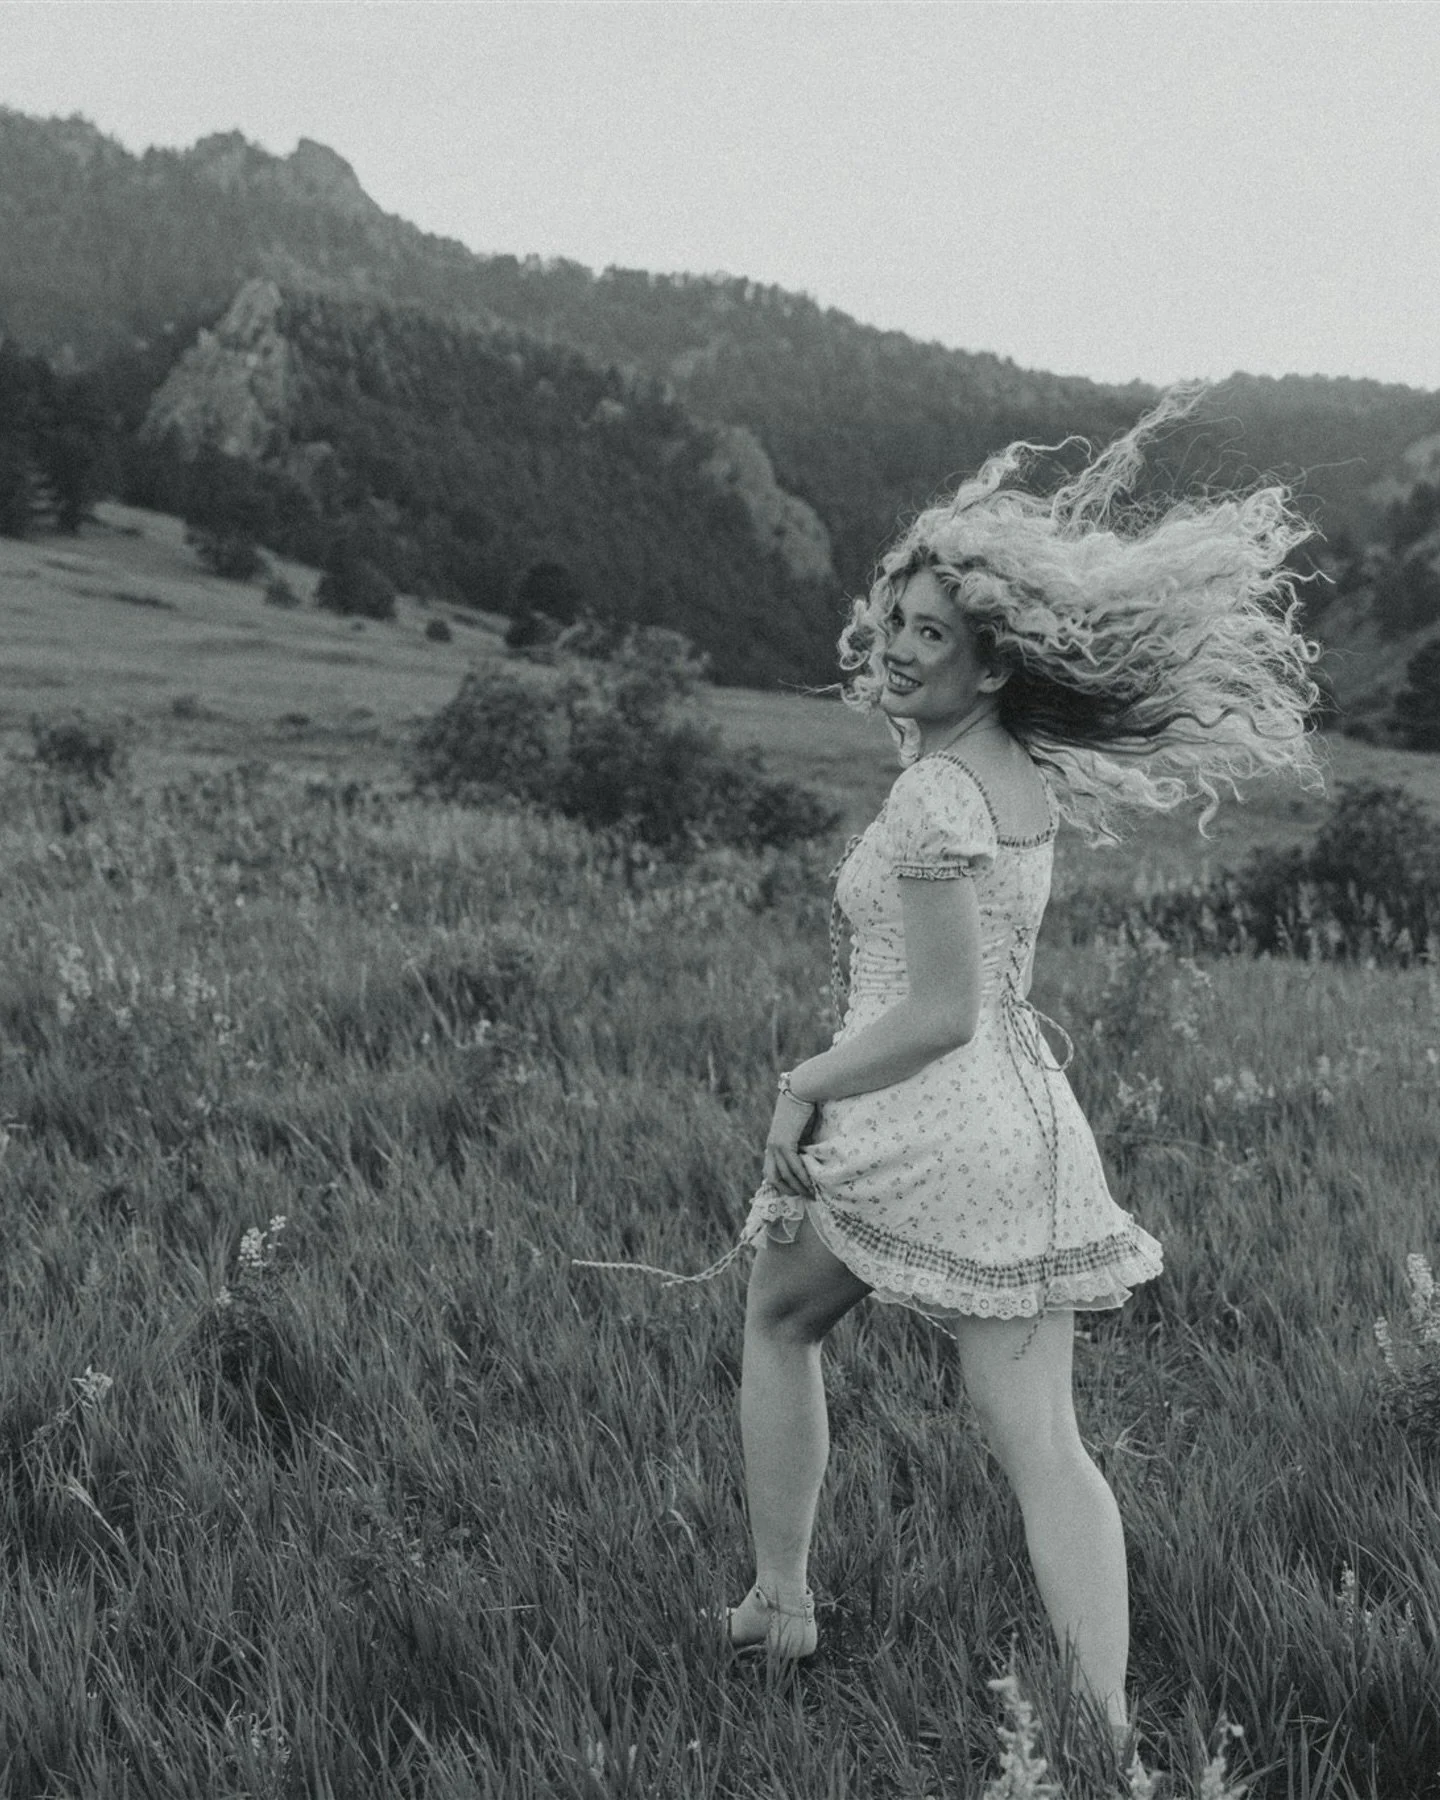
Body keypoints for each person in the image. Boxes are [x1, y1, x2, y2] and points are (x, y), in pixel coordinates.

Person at [579, 386, 1321, 1742]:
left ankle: (786, 1599)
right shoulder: (1016, 773)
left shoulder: (934, 795)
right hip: (1024, 1124)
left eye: (934, 635)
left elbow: (934, 1009)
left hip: (928, 1118)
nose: (899, 648)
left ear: (990, 666)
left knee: (783, 1322)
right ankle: (1101, 1734)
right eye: (896, 624)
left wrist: (805, 1078)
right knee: (1029, 1432)